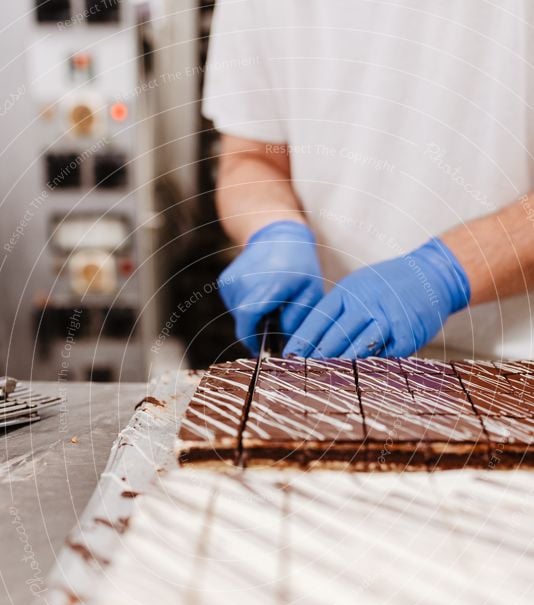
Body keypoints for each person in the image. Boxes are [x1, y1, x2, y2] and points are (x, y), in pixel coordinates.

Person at [203, 0, 534, 359]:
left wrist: (447, 273)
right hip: (333, 360)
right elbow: (250, 156)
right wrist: (273, 229)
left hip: (517, 364)